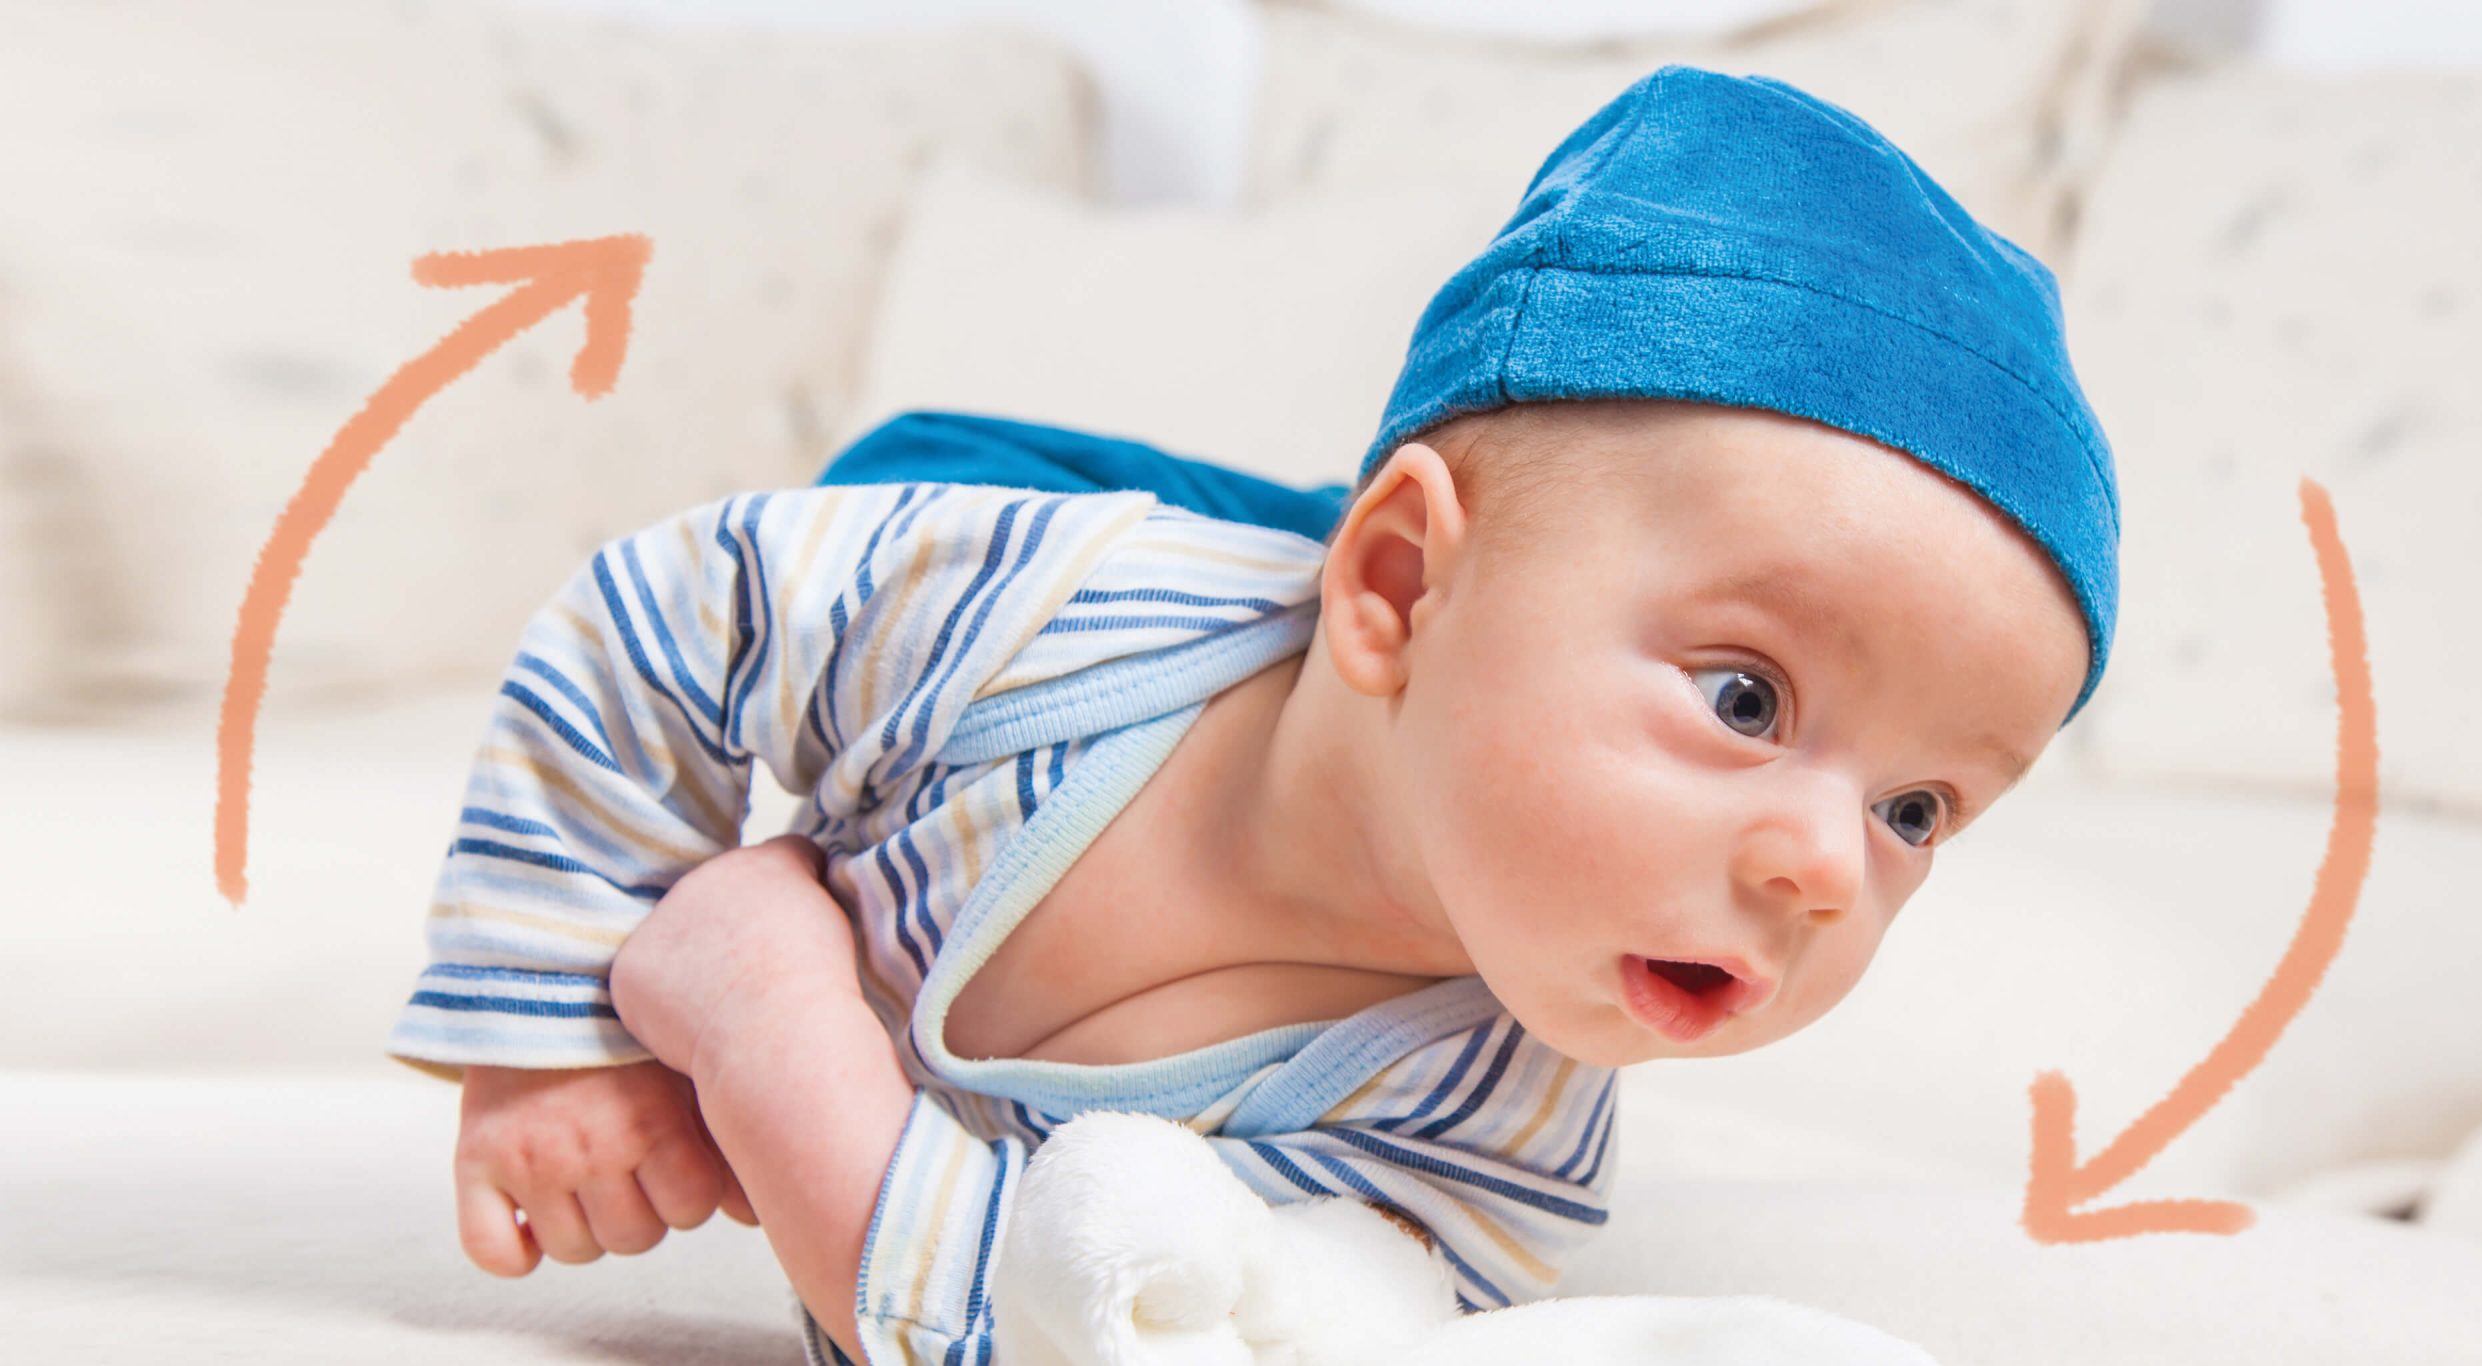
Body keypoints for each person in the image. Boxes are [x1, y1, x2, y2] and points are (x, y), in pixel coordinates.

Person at [383, 66, 2118, 1366]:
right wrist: (549, 1028)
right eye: (1747, 697)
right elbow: (647, 623)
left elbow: (1065, 1324)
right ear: (1395, 590)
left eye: (1921, 811)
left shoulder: (1489, 1138)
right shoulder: (1035, 614)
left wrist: (777, 1039)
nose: (1830, 864)